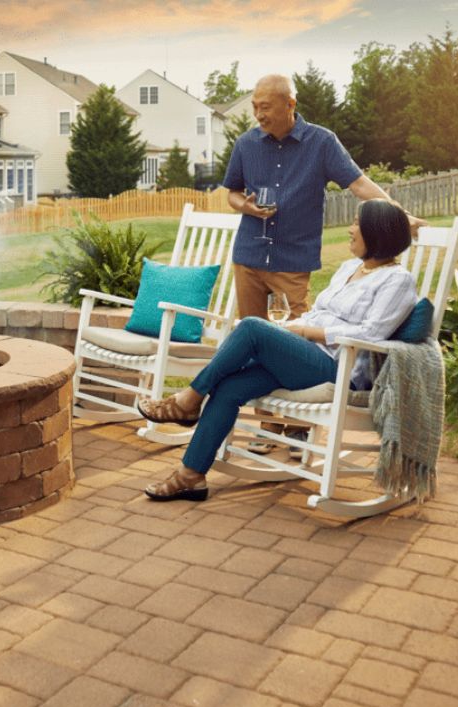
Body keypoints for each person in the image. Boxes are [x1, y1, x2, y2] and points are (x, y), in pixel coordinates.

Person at [135, 199, 417, 501]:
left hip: (339, 367)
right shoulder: (351, 268)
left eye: (356, 225)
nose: (350, 230)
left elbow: (372, 333)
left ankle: (188, 400)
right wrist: (291, 329)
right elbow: (318, 311)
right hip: (306, 356)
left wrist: (306, 331)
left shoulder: (398, 280)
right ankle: (191, 476)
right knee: (230, 386)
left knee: (252, 328)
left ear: (376, 232)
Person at [224, 74, 421, 454]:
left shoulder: (321, 142)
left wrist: (401, 214)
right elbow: (231, 192)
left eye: (265, 107)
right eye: (254, 107)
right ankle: (270, 428)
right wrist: (245, 206)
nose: (258, 114)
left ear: (289, 104)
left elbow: (359, 184)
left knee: (299, 342)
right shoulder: (246, 144)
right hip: (248, 254)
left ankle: (298, 428)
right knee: (253, 343)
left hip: (293, 258)